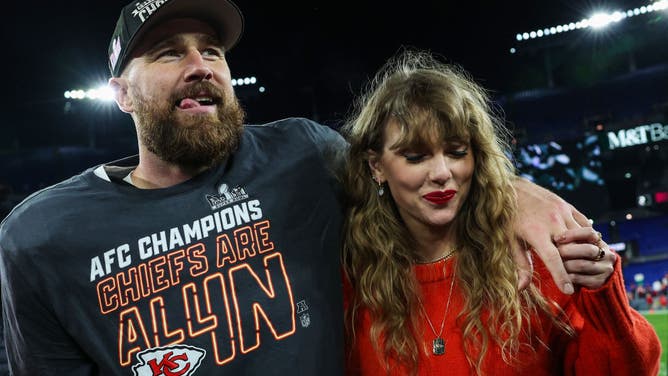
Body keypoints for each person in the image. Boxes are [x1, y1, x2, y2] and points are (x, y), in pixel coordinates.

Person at [0, 0, 608, 375]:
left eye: (211, 49)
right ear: (121, 93)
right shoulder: (41, 238)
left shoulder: (304, 155)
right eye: (167, 53)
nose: (200, 64)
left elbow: (414, 169)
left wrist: (515, 194)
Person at [341, 50, 662, 375]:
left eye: (456, 152)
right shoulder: (351, 282)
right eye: (415, 156)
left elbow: (629, 369)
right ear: (376, 166)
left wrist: (602, 292)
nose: (441, 172)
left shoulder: (534, 261)